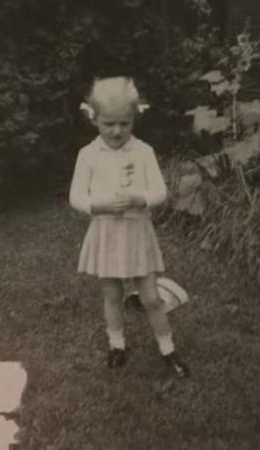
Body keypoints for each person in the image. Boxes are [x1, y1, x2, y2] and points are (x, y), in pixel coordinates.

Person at [69, 76, 189, 378]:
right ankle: (117, 345)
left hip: (137, 233)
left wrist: (141, 198)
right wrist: (99, 206)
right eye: (108, 123)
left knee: (150, 297)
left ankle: (168, 349)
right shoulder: (88, 155)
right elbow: (76, 196)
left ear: (135, 118)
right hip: (106, 232)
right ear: (93, 117)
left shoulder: (143, 151)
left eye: (125, 123)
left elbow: (160, 192)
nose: (117, 131)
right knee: (111, 295)